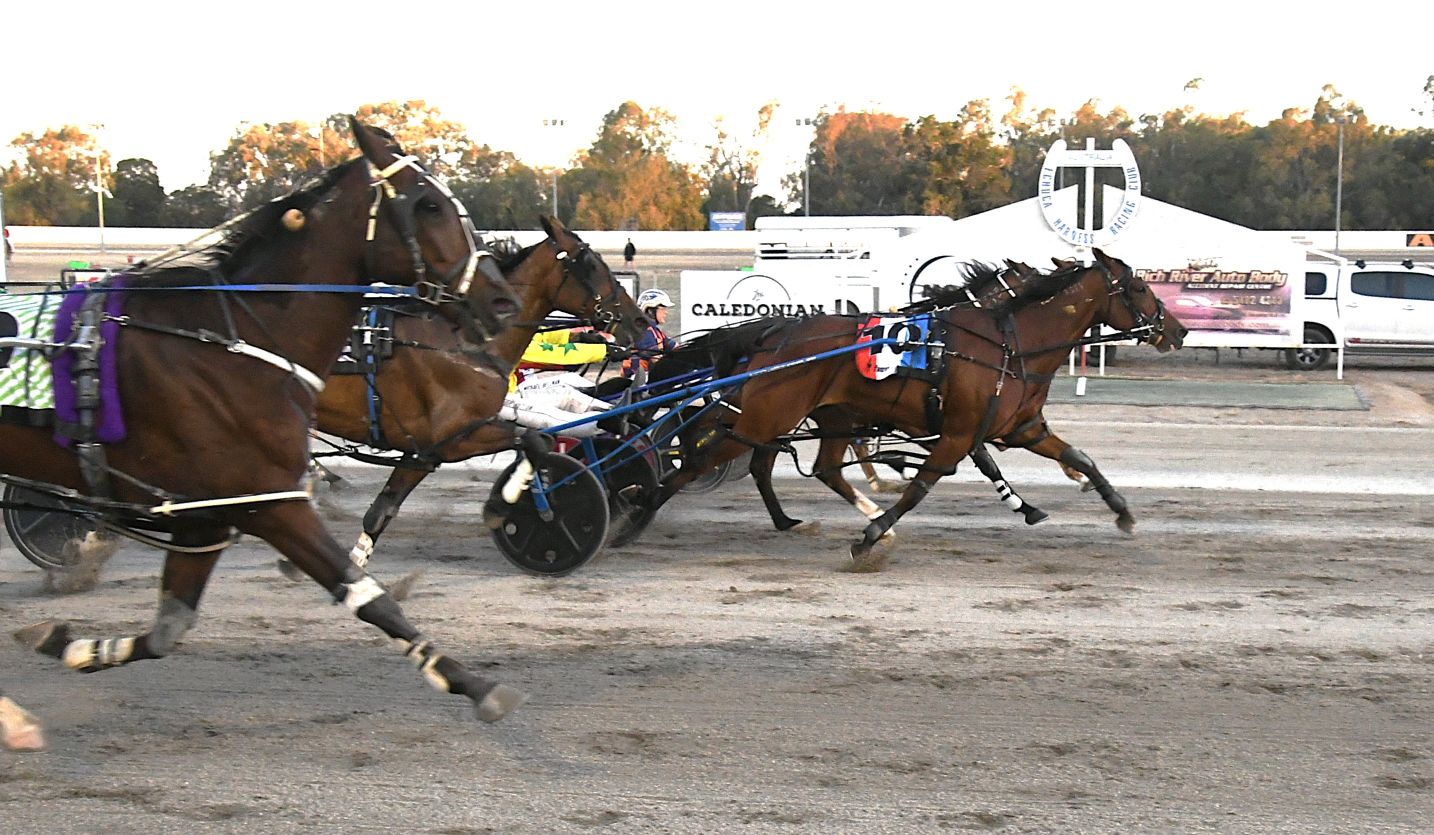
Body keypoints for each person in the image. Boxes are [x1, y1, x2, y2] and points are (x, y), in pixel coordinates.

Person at [501, 327, 630, 437]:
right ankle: (602, 422)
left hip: (510, 390)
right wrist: (603, 351)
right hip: (497, 400)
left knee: (567, 388)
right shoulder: (497, 338)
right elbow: (544, 352)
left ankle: (613, 409)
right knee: (548, 415)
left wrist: (573, 337)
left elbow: (535, 336)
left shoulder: (505, 327)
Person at [623, 288, 676, 377]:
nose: (666, 312)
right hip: (637, 380)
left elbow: (676, 348)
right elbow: (656, 360)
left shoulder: (656, 331)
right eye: (662, 308)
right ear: (650, 310)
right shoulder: (643, 331)